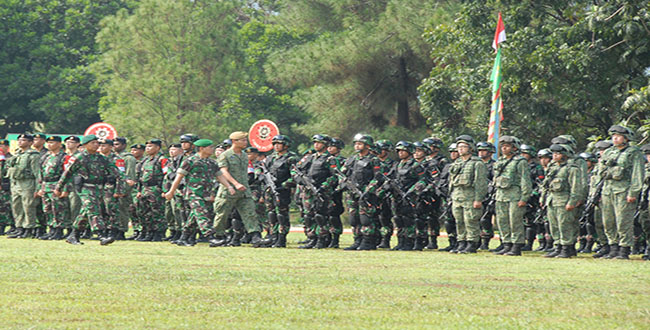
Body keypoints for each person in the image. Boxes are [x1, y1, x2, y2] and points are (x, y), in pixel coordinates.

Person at [54, 135, 125, 245]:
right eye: (93, 143)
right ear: (85, 145)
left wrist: (120, 189)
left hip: (99, 188)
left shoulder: (103, 159)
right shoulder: (79, 158)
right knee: (93, 210)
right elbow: (67, 174)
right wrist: (59, 188)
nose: (96, 145)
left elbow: (117, 174)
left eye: (97, 143)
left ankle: (74, 235)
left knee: (85, 213)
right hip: (85, 188)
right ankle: (101, 235)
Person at [165, 139, 231, 246]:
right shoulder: (190, 161)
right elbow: (179, 177)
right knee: (202, 214)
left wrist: (229, 186)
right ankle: (211, 237)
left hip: (206, 194)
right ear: (202, 148)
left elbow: (219, 176)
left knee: (194, 218)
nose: (212, 149)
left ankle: (184, 237)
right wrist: (171, 191)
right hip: (193, 194)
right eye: (210, 147)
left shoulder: (212, 162)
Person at [598, 125, 644, 259]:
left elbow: (637, 175)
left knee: (623, 221)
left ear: (626, 138)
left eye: (618, 136)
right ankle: (613, 247)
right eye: (613, 136)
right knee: (608, 221)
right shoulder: (608, 152)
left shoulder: (633, 153)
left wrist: (633, 193)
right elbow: (601, 172)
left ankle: (624, 249)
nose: (615, 138)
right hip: (608, 190)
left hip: (623, 191)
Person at [212, 132, 264, 247]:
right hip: (228, 189)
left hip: (244, 190)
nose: (246, 142)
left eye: (246, 140)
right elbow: (223, 172)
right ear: (235, 141)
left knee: (250, 212)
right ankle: (218, 236)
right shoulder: (225, 155)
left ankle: (255, 237)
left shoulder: (244, 155)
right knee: (222, 214)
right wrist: (235, 184)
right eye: (243, 140)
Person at [492, 136, 532, 256]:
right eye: (502, 146)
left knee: (515, 221)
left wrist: (524, 197)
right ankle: (506, 243)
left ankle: (516, 245)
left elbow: (525, 180)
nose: (504, 148)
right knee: (502, 221)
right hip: (501, 195)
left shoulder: (520, 162)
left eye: (507, 146)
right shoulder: (500, 161)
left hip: (515, 195)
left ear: (514, 148)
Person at [340, 134, 381, 250]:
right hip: (352, 194)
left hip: (366, 194)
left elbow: (378, 177)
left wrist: (368, 190)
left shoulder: (374, 160)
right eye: (356, 143)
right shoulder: (351, 159)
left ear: (367, 146)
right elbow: (341, 173)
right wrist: (344, 183)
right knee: (354, 219)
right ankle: (357, 241)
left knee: (366, 219)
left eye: (360, 143)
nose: (357, 146)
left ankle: (368, 242)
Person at [448, 135, 488, 254]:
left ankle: (472, 243)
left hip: (470, 196)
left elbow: (480, 183)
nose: (460, 149)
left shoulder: (477, 163)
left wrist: (478, 199)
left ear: (470, 148)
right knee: (459, 221)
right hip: (457, 196)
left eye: (463, 147)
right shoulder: (457, 163)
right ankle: (461, 242)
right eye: (458, 147)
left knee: (470, 220)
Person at [541, 143, 582, 258]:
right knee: (554, 225)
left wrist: (572, 202)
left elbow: (575, 187)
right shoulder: (552, 167)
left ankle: (566, 248)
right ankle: (557, 246)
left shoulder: (572, 169)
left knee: (565, 225)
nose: (555, 156)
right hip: (552, 199)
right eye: (553, 153)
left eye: (558, 154)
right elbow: (546, 185)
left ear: (565, 155)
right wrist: (543, 198)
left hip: (564, 200)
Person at [258, 135, 299, 248]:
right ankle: (273, 236)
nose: (276, 146)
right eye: (274, 144)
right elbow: (261, 169)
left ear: (286, 145)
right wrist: (261, 177)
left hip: (282, 190)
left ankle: (282, 238)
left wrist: (284, 185)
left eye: (279, 144)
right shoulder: (270, 157)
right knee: (271, 214)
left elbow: (296, 175)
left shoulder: (291, 158)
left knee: (282, 215)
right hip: (269, 190)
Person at [6, 134, 41, 239]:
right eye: (19, 140)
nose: (20, 142)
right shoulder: (17, 154)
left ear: (30, 142)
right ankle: (19, 228)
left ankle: (28, 229)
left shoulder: (33, 155)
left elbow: (37, 173)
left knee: (28, 206)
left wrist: (38, 188)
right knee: (17, 207)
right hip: (16, 183)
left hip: (28, 183)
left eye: (24, 140)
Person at [37, 136, 71, 240]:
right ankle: (51, 229)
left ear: (59, 144)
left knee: (58, 209)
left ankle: (58, 230)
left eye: (52, 142)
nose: (49, 144)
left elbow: (67, 174)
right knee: (47, 209)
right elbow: (41, 173)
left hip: (57, 185)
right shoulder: (46, 156)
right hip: (46, 185)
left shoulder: (64, 157)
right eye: (48, 142)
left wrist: (65, 189)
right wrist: (40, 187)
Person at [137, 139, 168, 241]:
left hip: (156, 188)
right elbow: (140, 176)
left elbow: (166, 175)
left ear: (157, 148)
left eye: (150, 146)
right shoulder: (145, 160)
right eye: (147, 147)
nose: (147, 149)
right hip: (145, 188)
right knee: (145, 212)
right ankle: (149, 232)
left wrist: (165, 190)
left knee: (157, 211)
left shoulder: (162, 159)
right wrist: (139, 190)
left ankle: (159, 233)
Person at [113, 137, 138, 240]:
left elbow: (129, 175)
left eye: (117, 144)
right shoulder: (114, 157)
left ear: (124, 145)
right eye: (114, 144)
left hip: (123, 189)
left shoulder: (128, 158)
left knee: (123, 209)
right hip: (113, 188)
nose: (115, 146)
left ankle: (121, 230)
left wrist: (124, 190)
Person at [0, 140, 13, 235]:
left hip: (6, 187)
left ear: (7, 147)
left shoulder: (10, 158)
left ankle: (9, 226)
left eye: (2, 145)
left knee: (7, 208)